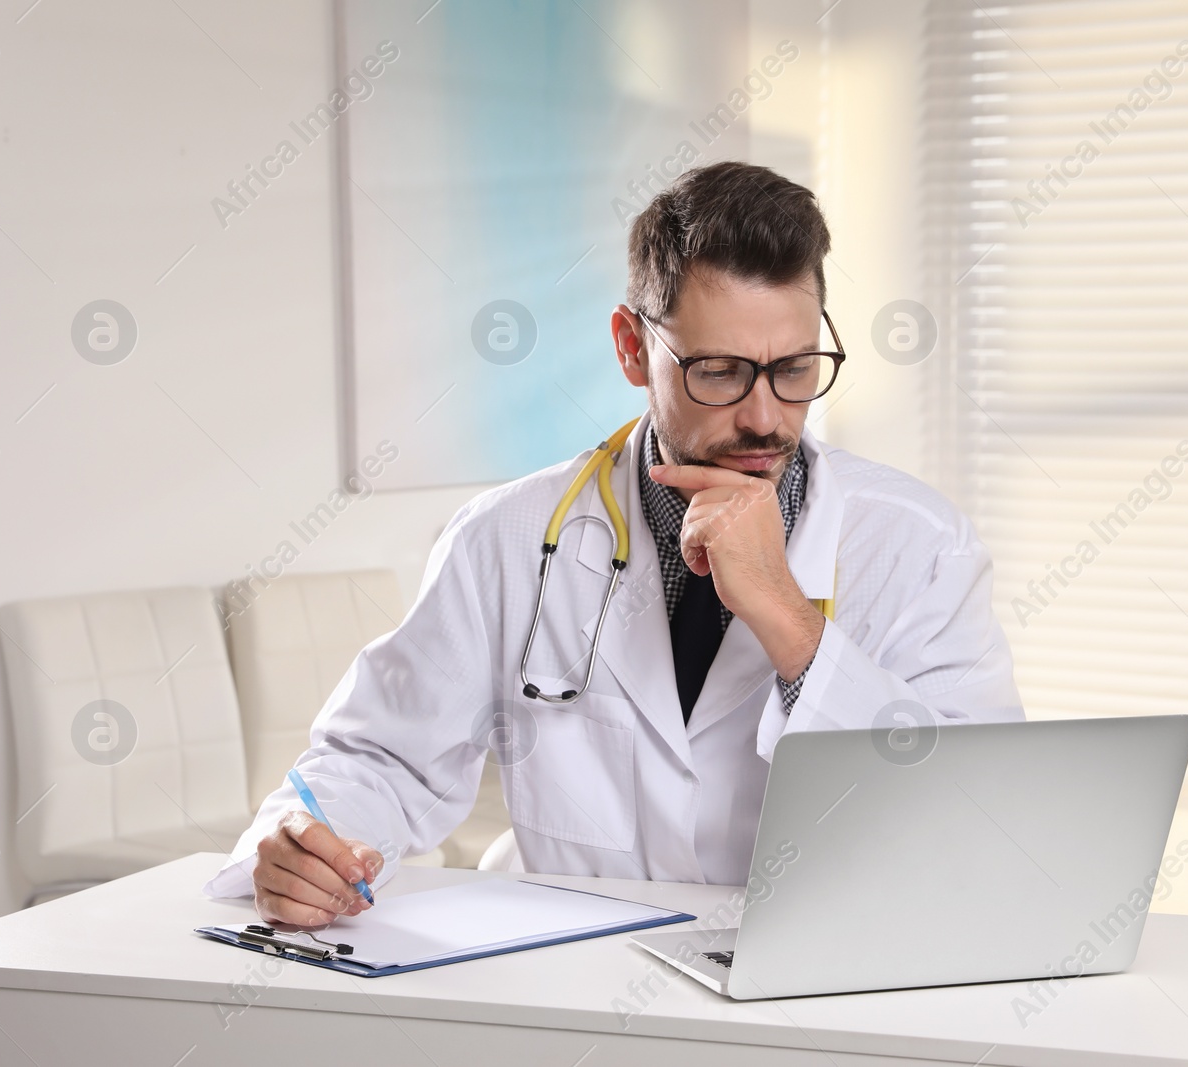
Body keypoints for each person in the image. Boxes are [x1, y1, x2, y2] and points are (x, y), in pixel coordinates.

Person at [203, 161, 1023, 925]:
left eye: (796, 368)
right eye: (720, 371)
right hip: (571, 984)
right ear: (633, 348)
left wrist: (786, 617)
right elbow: (386, 757)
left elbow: (976, 818)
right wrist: (300, 839)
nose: (765, 416)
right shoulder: (509, 538)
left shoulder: (919, 545)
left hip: (813, 981)